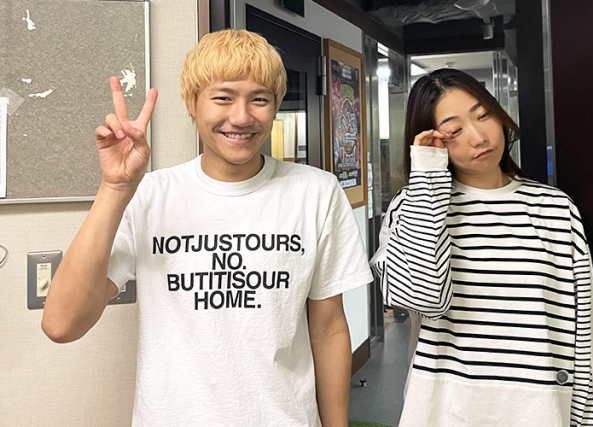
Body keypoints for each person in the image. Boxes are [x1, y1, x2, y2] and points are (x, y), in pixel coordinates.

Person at [41, 29, 372, 427]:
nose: (242, 117)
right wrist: (115, 188)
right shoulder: (151, 196)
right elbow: (61, 324)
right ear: (191, 104)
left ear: (275, 106)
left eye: (259, 99)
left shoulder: (316, 192)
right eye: (223, 98)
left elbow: (329, 329)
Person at [370, 68, 593, 426]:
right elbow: (425, 299)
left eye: (483, 116)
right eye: (454, 131)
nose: (479, 137)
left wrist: (587, 419)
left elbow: (584, 330)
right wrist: (428, 178)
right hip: (447, 410)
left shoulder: (555, 209)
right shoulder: (412, 207)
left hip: (539, 409)